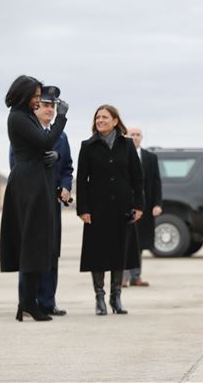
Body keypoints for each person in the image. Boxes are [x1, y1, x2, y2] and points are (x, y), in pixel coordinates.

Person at [0, 75, 69, 322]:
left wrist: (54, 158)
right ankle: (28, 303)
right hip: (29, 184)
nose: (39, 100)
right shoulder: (18, 117)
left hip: (36, 181)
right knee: (32, 243)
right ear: (24, 94)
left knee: (38, 243)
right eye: (36, 95)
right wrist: (61, 117)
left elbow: (41, 148)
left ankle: (27, 304)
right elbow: (45, 141)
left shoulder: (25, 116)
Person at [76, 105, 144, 315]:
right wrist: (83, 209)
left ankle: (116, 298)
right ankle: (99, 299)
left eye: (105, 117)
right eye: (98, 117)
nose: (100, 120)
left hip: (122, 208)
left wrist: (138, 205)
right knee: (97, 254)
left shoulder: (127, 144)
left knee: (118, 253)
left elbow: (137, 177)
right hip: (96, 209)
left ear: (115, 121)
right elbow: (81, 180)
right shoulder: (88, 146)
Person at [123, 127, 162, 287]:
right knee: (125, 242)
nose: (135, 137)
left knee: (139, 243)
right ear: (126, 136)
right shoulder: (121, 155)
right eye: (132, 134)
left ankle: (136, 276)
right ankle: (123, 277)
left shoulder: (151, 157)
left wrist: (157, 204)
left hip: (144, 206)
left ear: (142, 138)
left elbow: (156, 182)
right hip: (125, 206)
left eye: (138, 135)